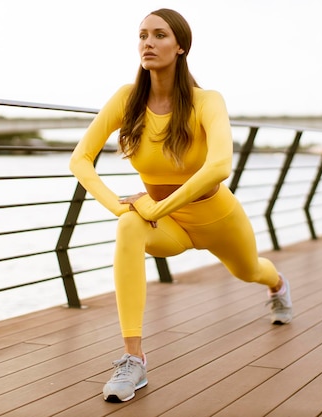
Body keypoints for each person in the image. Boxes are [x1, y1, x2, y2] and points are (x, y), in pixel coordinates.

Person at [69, 8, 293, 403]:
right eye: (142, 36)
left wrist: (157, 207)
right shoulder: (126, 99)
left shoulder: (207, 101)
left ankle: (278, 285)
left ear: (181, 47)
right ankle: (132, 357)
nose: (148, 43)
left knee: (249, 270)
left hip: (218, 218)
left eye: (159, 35)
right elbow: (79, 159)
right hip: (167, 224)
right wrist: (121, 208)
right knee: (128, 228)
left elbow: (221, 164)